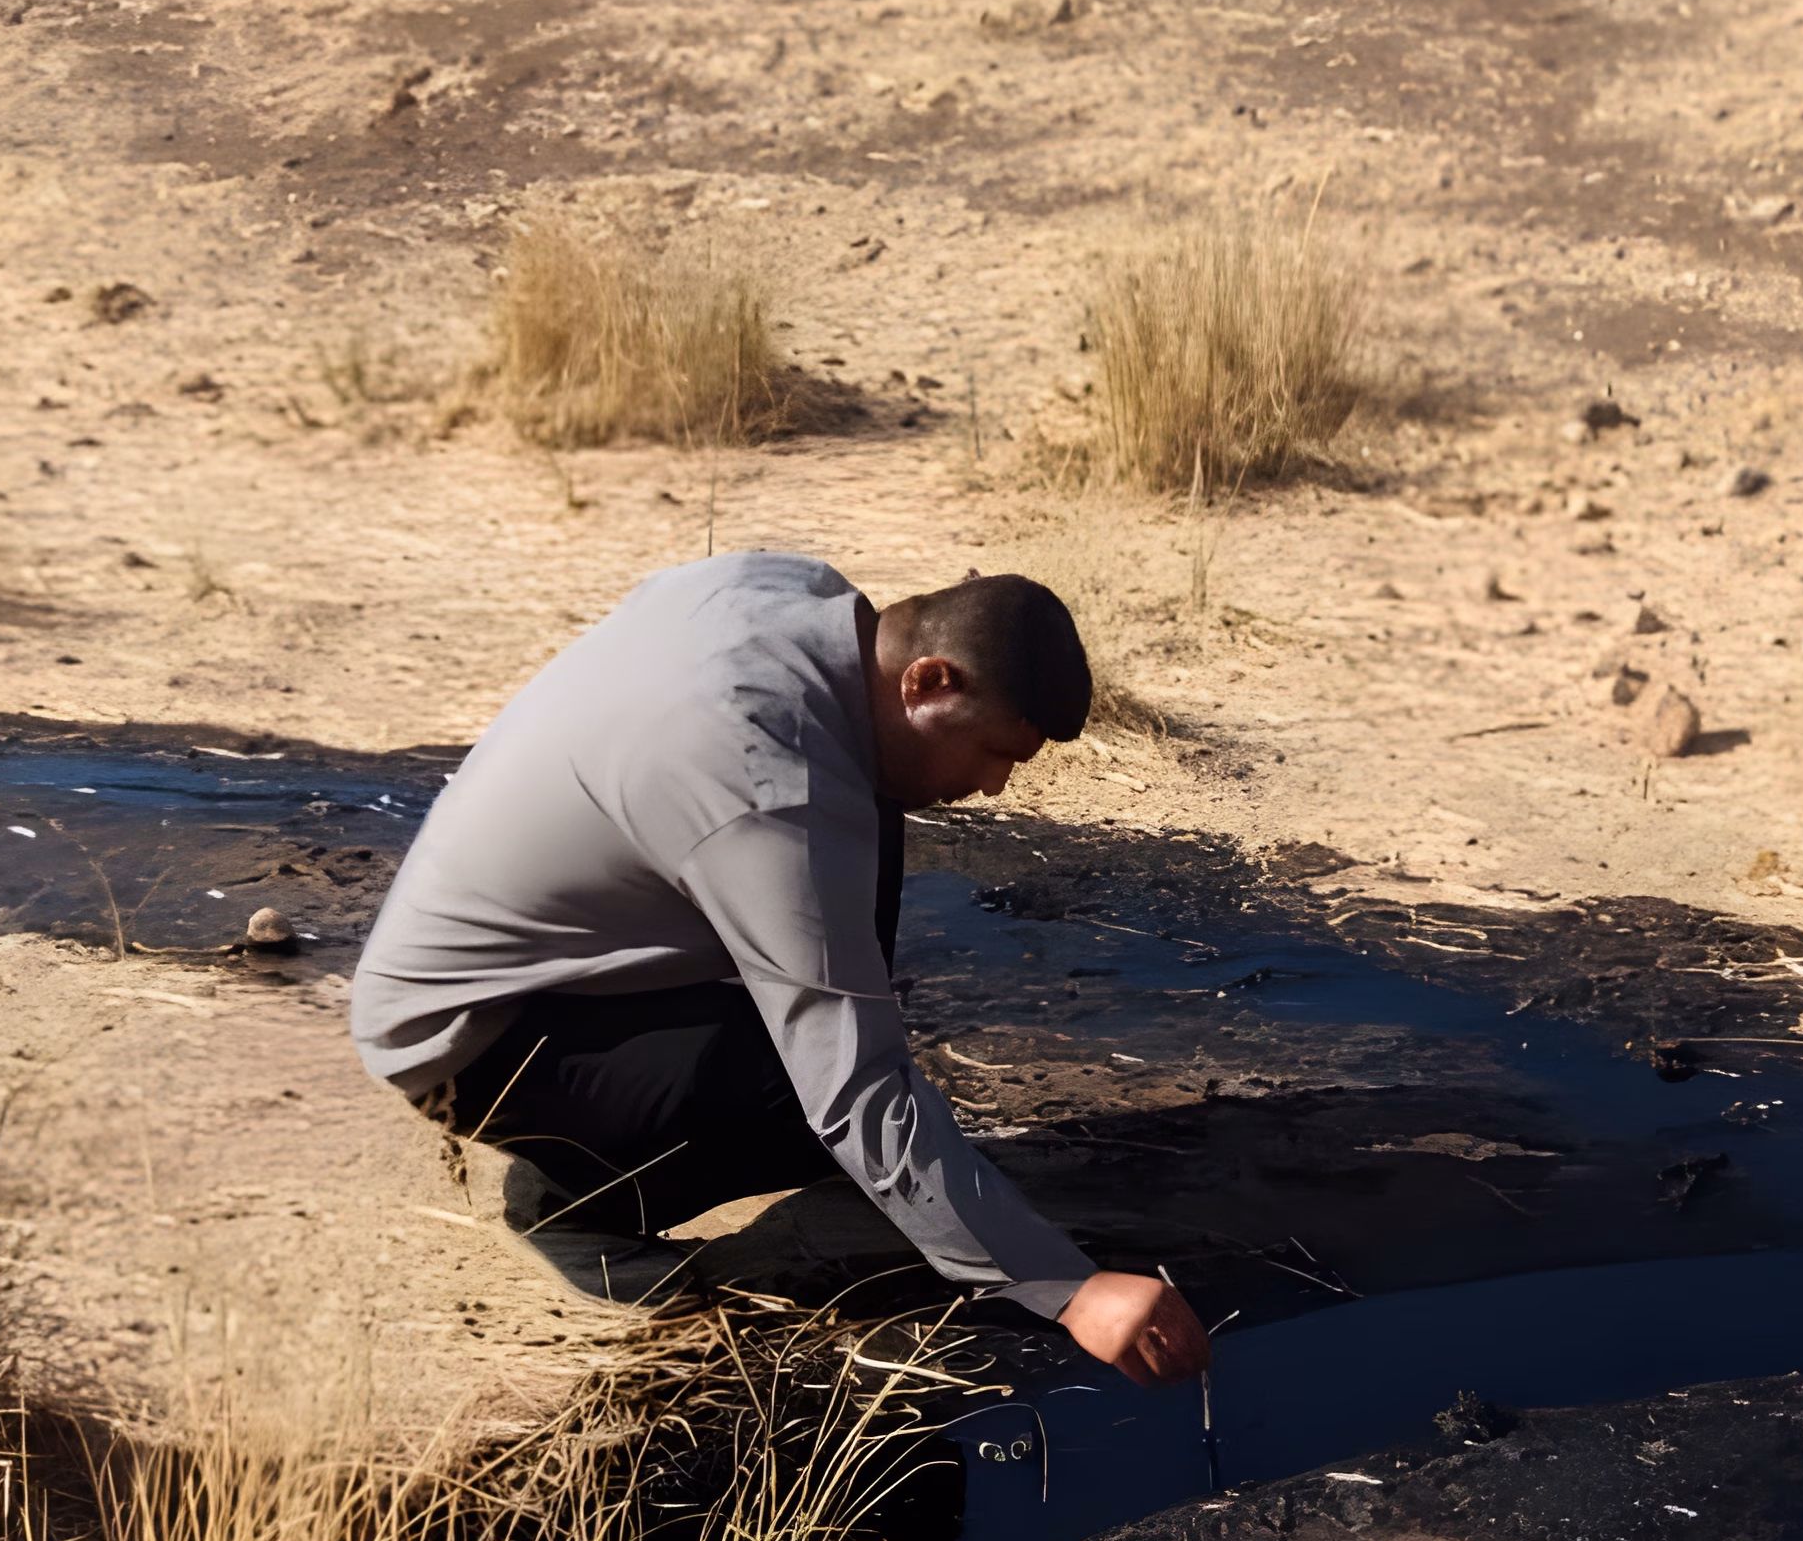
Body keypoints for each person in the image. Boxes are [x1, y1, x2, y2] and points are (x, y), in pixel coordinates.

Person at [347, 553, 1210, 1380]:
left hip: (546, 962)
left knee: (867, 822)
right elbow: (857, 1092)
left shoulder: (798, 599)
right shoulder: (770, 782)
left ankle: (603, 1140)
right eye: (992, 753)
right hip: (465, 1040)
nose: (993, 789)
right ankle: (578, 1208)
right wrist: (1069, 1291)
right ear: (929, 680)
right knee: (810, 1098)